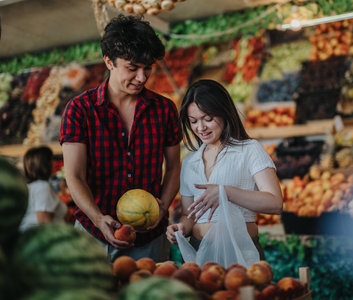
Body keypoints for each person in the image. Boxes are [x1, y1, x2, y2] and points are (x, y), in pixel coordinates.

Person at [59, 15, 181, 262]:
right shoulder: (80, 109)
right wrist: (97, 218)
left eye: (148, 68)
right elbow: (74, 176)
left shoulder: (165, 109)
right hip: (93, 237)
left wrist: (163, 206)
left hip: (149, 238)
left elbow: (174, 167)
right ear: (109, 62)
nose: (141, 77)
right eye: (133, 68)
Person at [166, 79, 283, 259]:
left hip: (240, 252)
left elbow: (275, 203)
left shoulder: (249, 149)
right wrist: (181, 228)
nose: (201, 127)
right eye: (194, 121)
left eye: (208, 119)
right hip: (199, 251)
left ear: (224, 113)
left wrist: (225, 192)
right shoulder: (190, 162)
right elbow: (189, 215)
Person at [20, 146, 68, 231]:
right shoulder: (42, 187)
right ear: (46, 164)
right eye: (51, 159)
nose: (54, 162)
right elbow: (44, 225)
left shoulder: (33, 186)